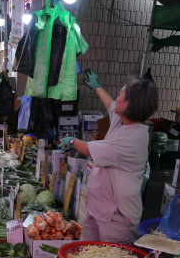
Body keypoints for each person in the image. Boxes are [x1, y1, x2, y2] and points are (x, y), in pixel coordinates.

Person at [59, 71, 158, 244]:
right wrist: (97, 87)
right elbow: (110, 105)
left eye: (121, 94)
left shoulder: (133, 138)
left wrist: (72, 141)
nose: (117, 97)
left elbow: (91, 149)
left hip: (117, 217)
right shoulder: (123, 121)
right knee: (88, 254)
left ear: (130, 105)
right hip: (98, 207)